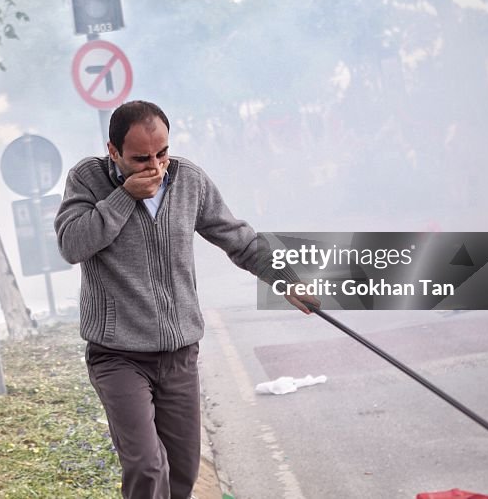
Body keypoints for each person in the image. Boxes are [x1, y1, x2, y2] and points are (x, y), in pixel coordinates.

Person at [54, 100, 318, 499]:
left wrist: (285, 279)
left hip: (179, 353)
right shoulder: (88, 179)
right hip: (118, 355)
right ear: (113, 151)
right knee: (146, 464)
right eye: (141, 158)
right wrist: (125, 196)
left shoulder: (189, 180)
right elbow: (72, 244)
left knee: (182, 472)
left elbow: (240, 240)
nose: (155, 167)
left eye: (162, 153)